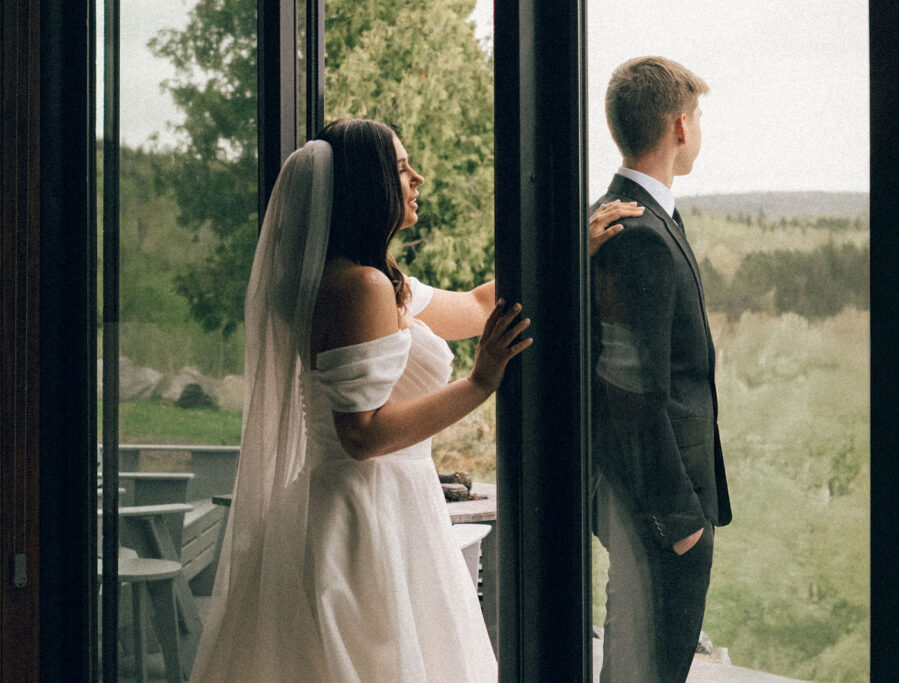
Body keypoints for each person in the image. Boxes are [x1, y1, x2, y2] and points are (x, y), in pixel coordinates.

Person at [190, 118, 632, 682]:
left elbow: (475, 308)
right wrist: (480, 382)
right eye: (402, 167)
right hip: (364, 518)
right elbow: (362, 435)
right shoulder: (360, 287)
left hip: (379, 503)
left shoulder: (374, 279)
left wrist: (568, 251)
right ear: (366, 184)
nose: (417, 177)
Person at [590, 57, 732, 681]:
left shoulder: (636, 215)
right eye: (697, 116)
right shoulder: (635, 231)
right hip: (661, 509)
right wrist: (679, 525)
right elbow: (632, 395)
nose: (699, 129)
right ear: (679, 125)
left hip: (656, 501)